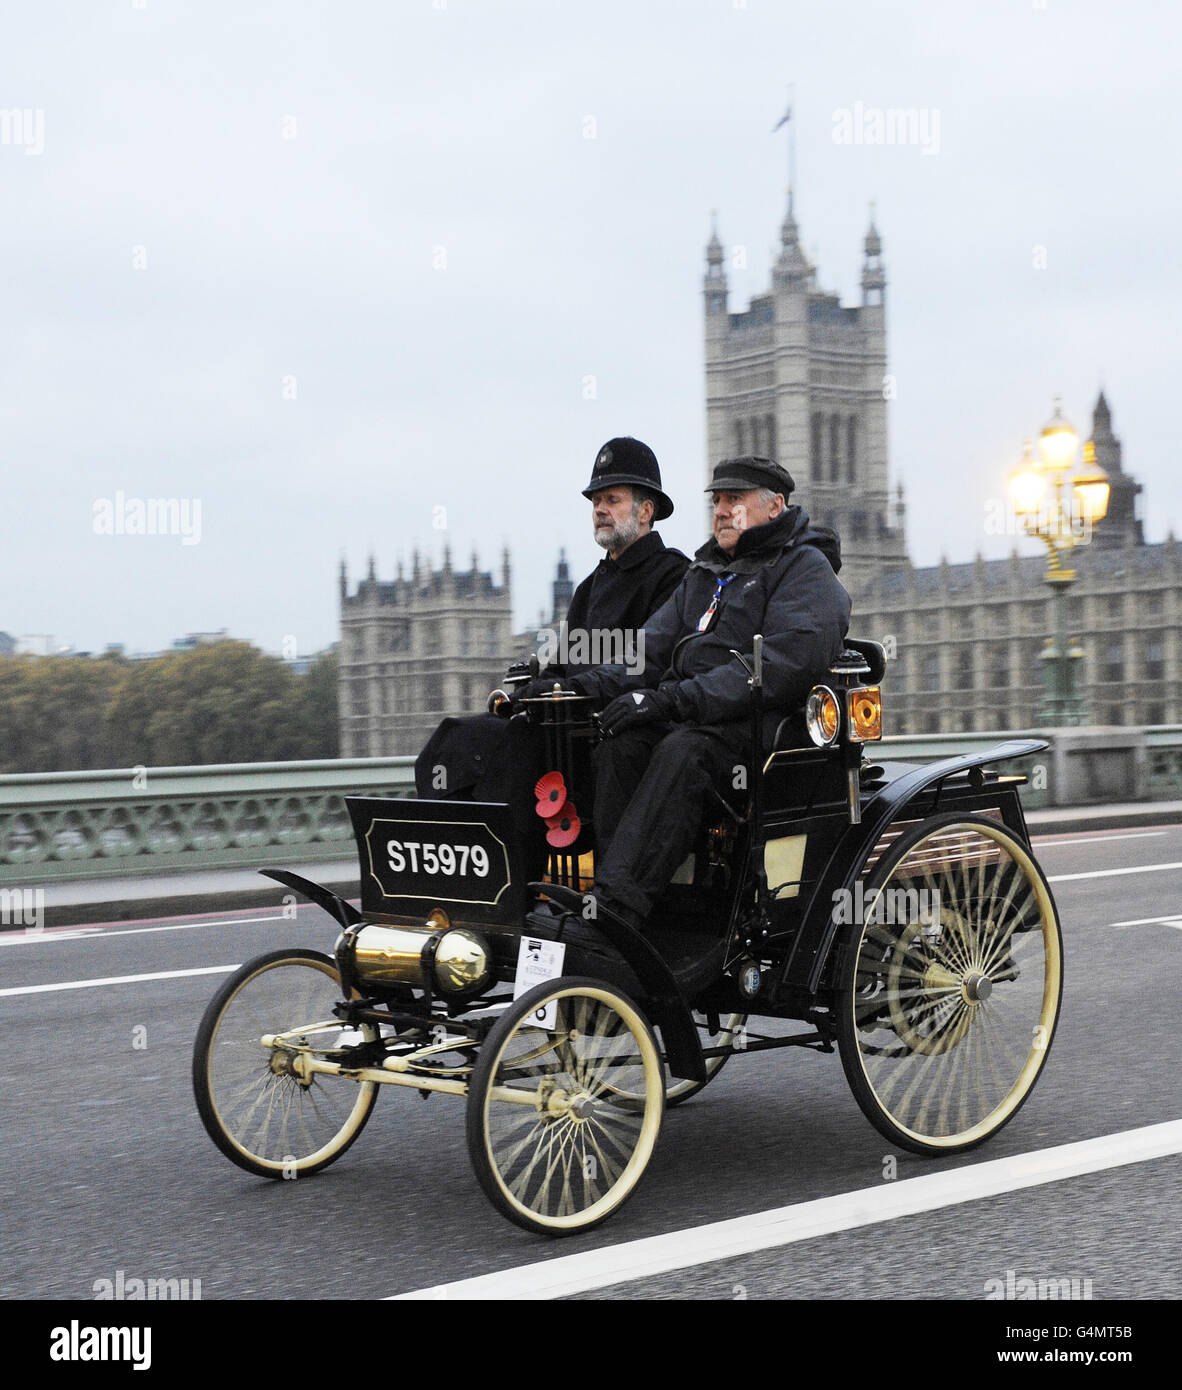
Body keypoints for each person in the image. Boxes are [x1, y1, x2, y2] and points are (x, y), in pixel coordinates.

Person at [564, 454, 852, 931]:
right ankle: (640, 906)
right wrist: (576, 688)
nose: (720, 510)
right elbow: (647, 654)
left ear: (775, 507)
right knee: (622, 740)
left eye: (734, 500)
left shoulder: (804, 570)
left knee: (684, 751)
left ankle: (618, 911)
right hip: (698, 715)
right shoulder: (705, 573)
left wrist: (675, 699)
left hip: (763, 731)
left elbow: (778, 666)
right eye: (717, 500)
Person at [414, 437, 688, 799]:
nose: (599, 510)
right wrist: (531, 691)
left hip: (618, 727)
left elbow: (645, 665)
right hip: (565, 724)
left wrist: (564, 690)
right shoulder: (589, 588)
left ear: (645, 511)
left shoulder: (672, 575)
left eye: (612, 499)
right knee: (458, 738)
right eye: (595, 501)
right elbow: (563, 665)